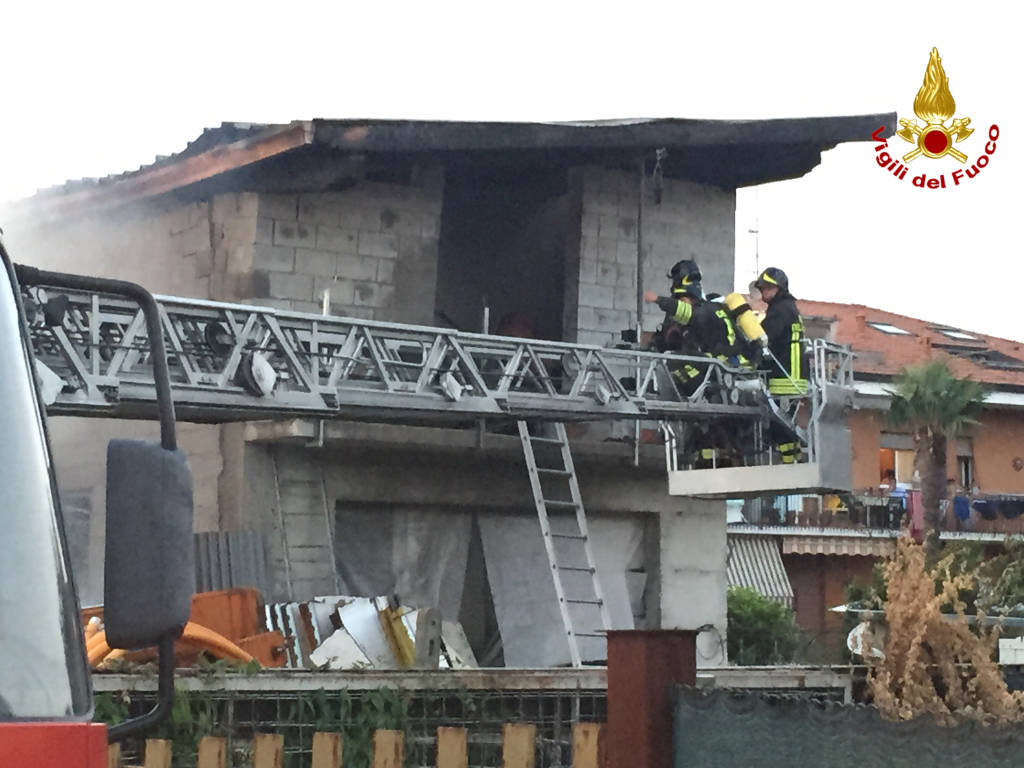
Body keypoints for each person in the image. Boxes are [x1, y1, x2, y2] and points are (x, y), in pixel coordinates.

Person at [645, 259, 743, 467]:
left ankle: (716, 456)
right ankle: (710, 458)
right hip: (719, 376)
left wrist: (658, 300)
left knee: (674, 364)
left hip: (715, 373)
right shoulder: (713, 310)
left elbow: (687, 317)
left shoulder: (704, 311)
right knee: (708, 427)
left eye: (682, 300)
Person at [751, 267, 809, 464]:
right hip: (793, 376)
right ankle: (794, 459)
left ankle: (790, 462)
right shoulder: (789, 308)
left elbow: (764, 336)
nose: (763, 292)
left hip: (786, 377)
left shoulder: (780, 310)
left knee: (780, 423)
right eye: (762, 288)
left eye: (767, 288)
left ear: (779, 288)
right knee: (785, 422)